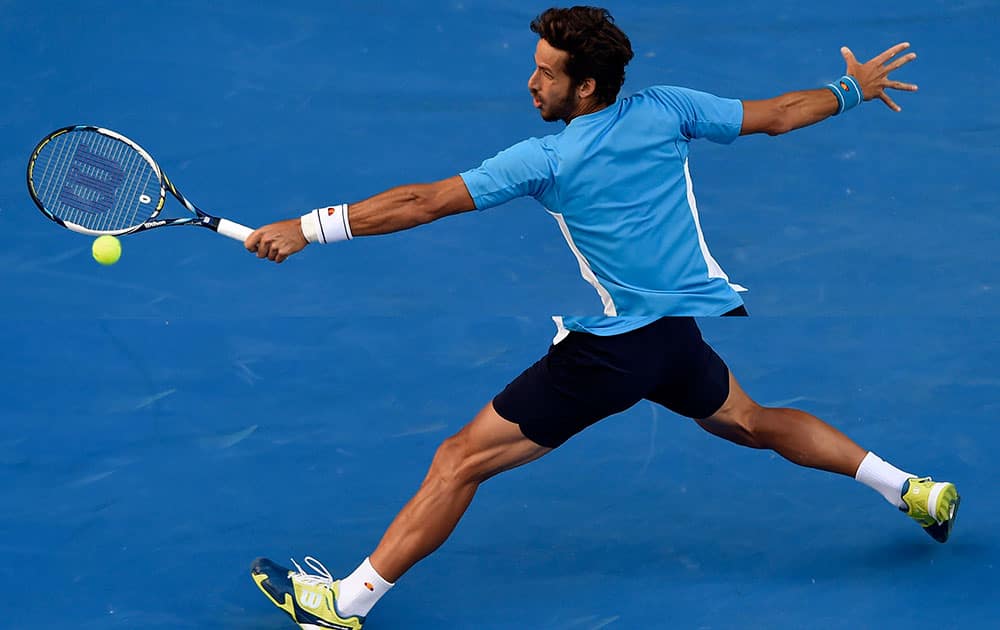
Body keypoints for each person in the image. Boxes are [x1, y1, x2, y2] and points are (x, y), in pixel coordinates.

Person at [245, 7, 959, 629]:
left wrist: (310, 227)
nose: (531, 83)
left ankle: (345, 604)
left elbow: (424, 202)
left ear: (585, 86)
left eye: (546, 74)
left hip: (614, 350)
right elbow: (776, 116)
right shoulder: (667, 108)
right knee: (747, 420)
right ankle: (911, 490)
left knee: (458, 461)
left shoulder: (546, 158)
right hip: (676, 328)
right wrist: (852, 90)